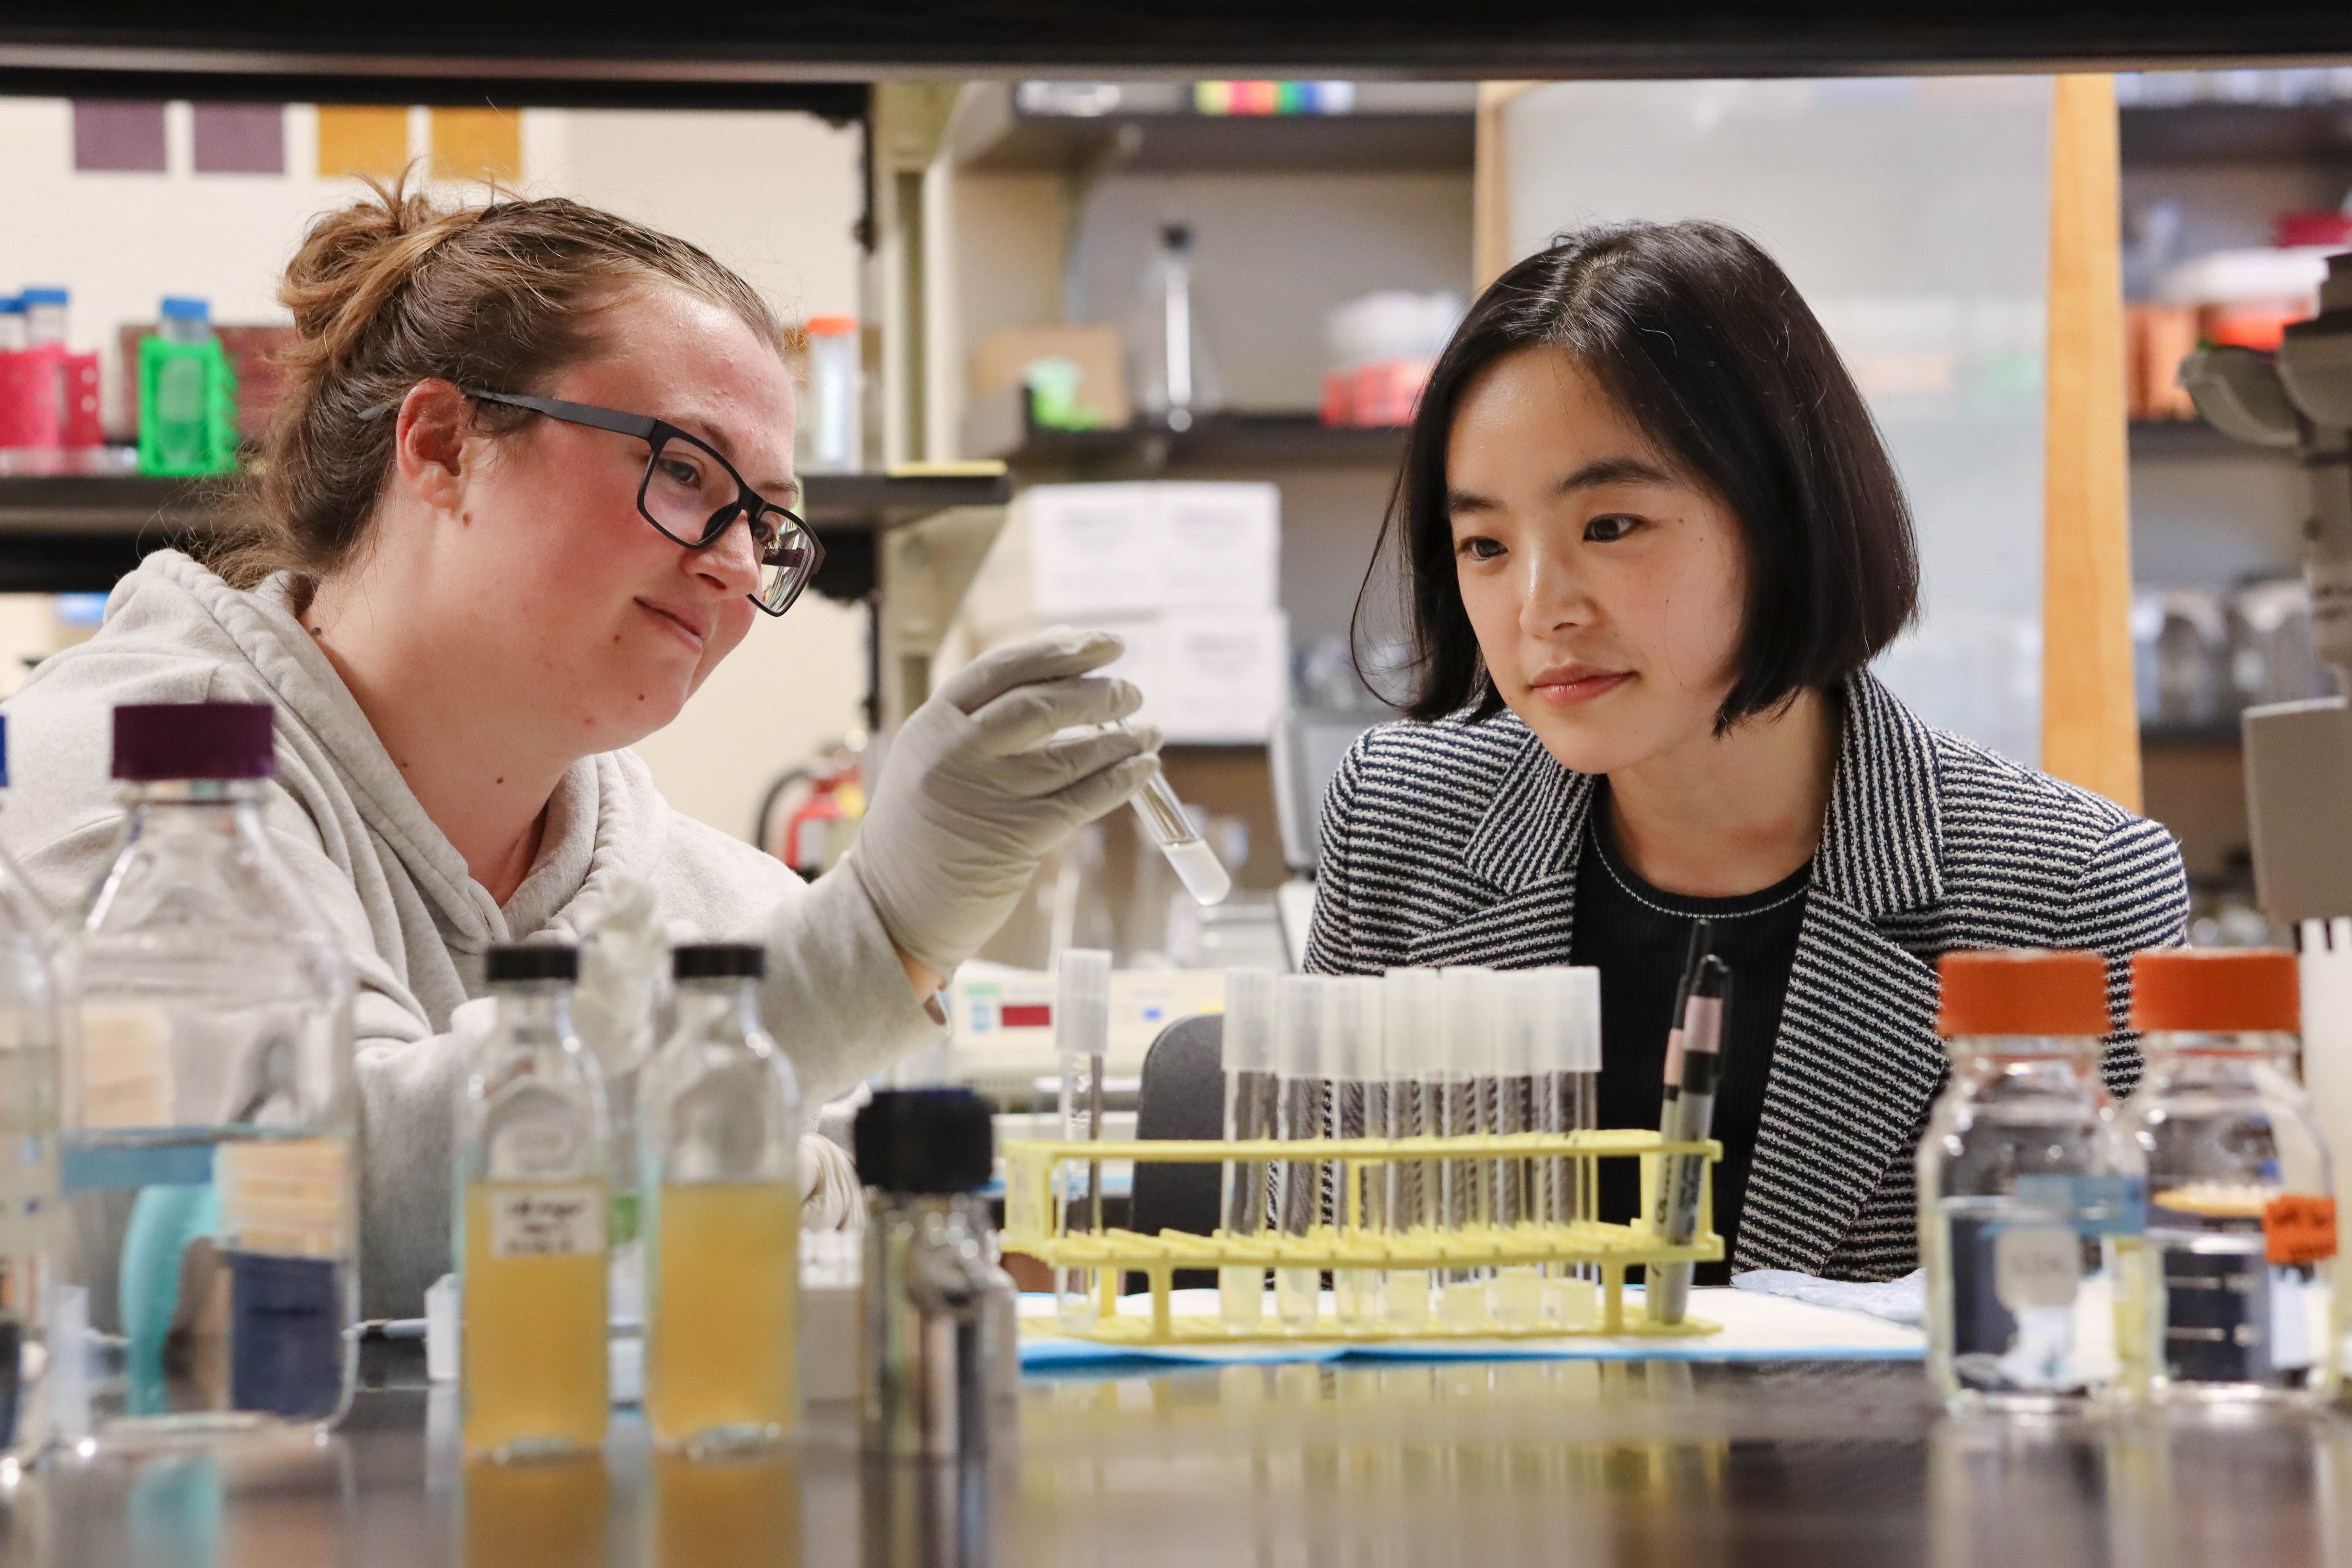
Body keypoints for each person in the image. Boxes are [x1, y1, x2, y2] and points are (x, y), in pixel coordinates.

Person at [0, 180, 1160, 1315]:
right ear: (445, 443)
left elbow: (911, 1231)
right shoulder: (129, 773)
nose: (740, 567)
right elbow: (294, 1194)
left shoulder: (710, 897)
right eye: (686, 470)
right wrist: (872, 942)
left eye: (768, 521)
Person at [1308, 220, 2189, 1283]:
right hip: (1502, 1452)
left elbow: (2135, 1330)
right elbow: (1315, 1279)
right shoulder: (1405, 820)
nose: (1540, 610)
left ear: (1783, 518)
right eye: (1486, 545)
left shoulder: (2063, 884)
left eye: (1612, 525)